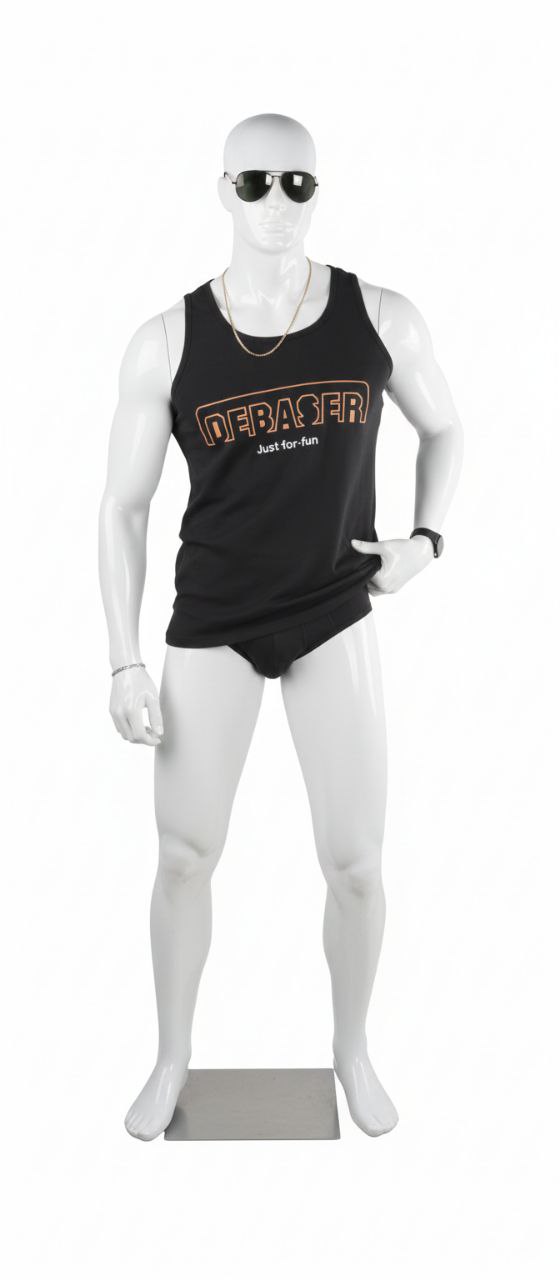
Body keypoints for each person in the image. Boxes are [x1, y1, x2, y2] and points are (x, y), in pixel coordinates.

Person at [98, 112, 464, 1142]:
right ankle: (171, 1056)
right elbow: (121, 506)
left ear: (318, 191)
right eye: (255, 182)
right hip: (213, 617)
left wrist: (425, 540)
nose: (276, 203)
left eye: (297, 183)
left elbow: (445, 425)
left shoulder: (379, 317)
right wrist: (123, 659)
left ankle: (352, 1049)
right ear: (223, 190)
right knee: (183, 854)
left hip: (332, 609)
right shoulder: (167, 340)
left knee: (356, 862)